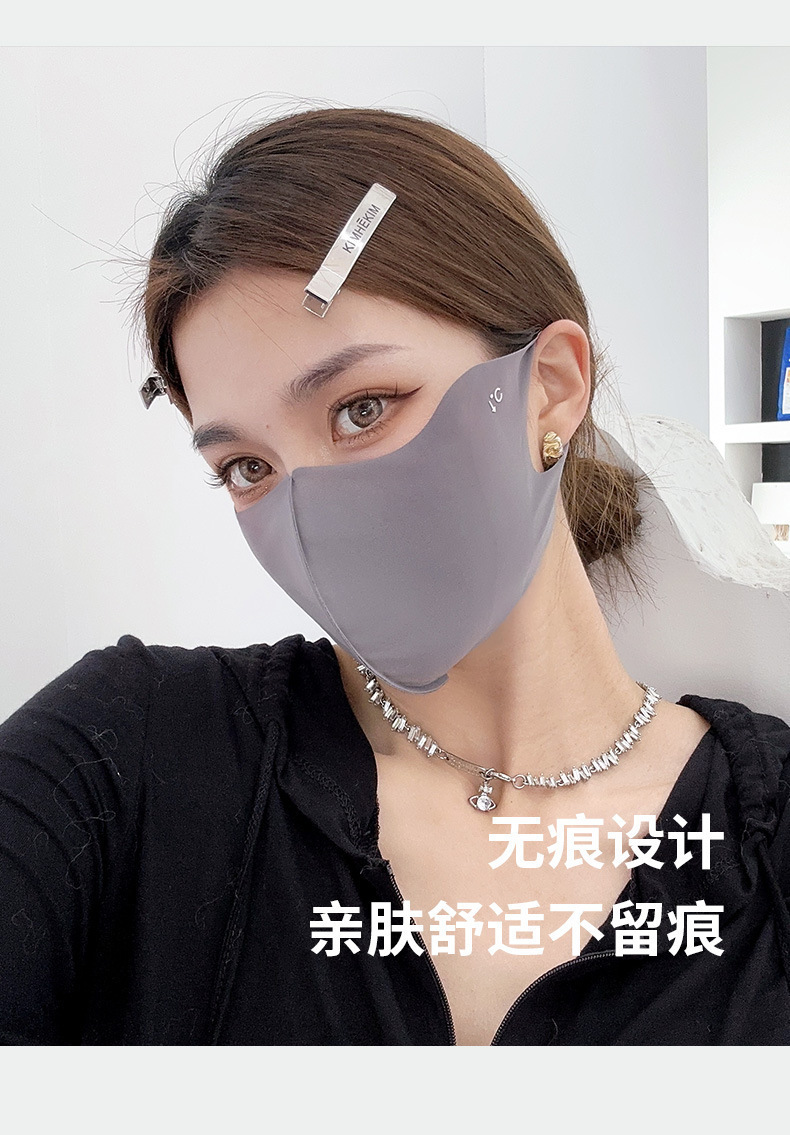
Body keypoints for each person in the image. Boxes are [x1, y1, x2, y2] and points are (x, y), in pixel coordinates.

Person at [2, 107, 790, 1046]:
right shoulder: (129, 751)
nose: (310, 516)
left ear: (551, 387)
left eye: (363, 408)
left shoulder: (769, 830)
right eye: (247, 466)